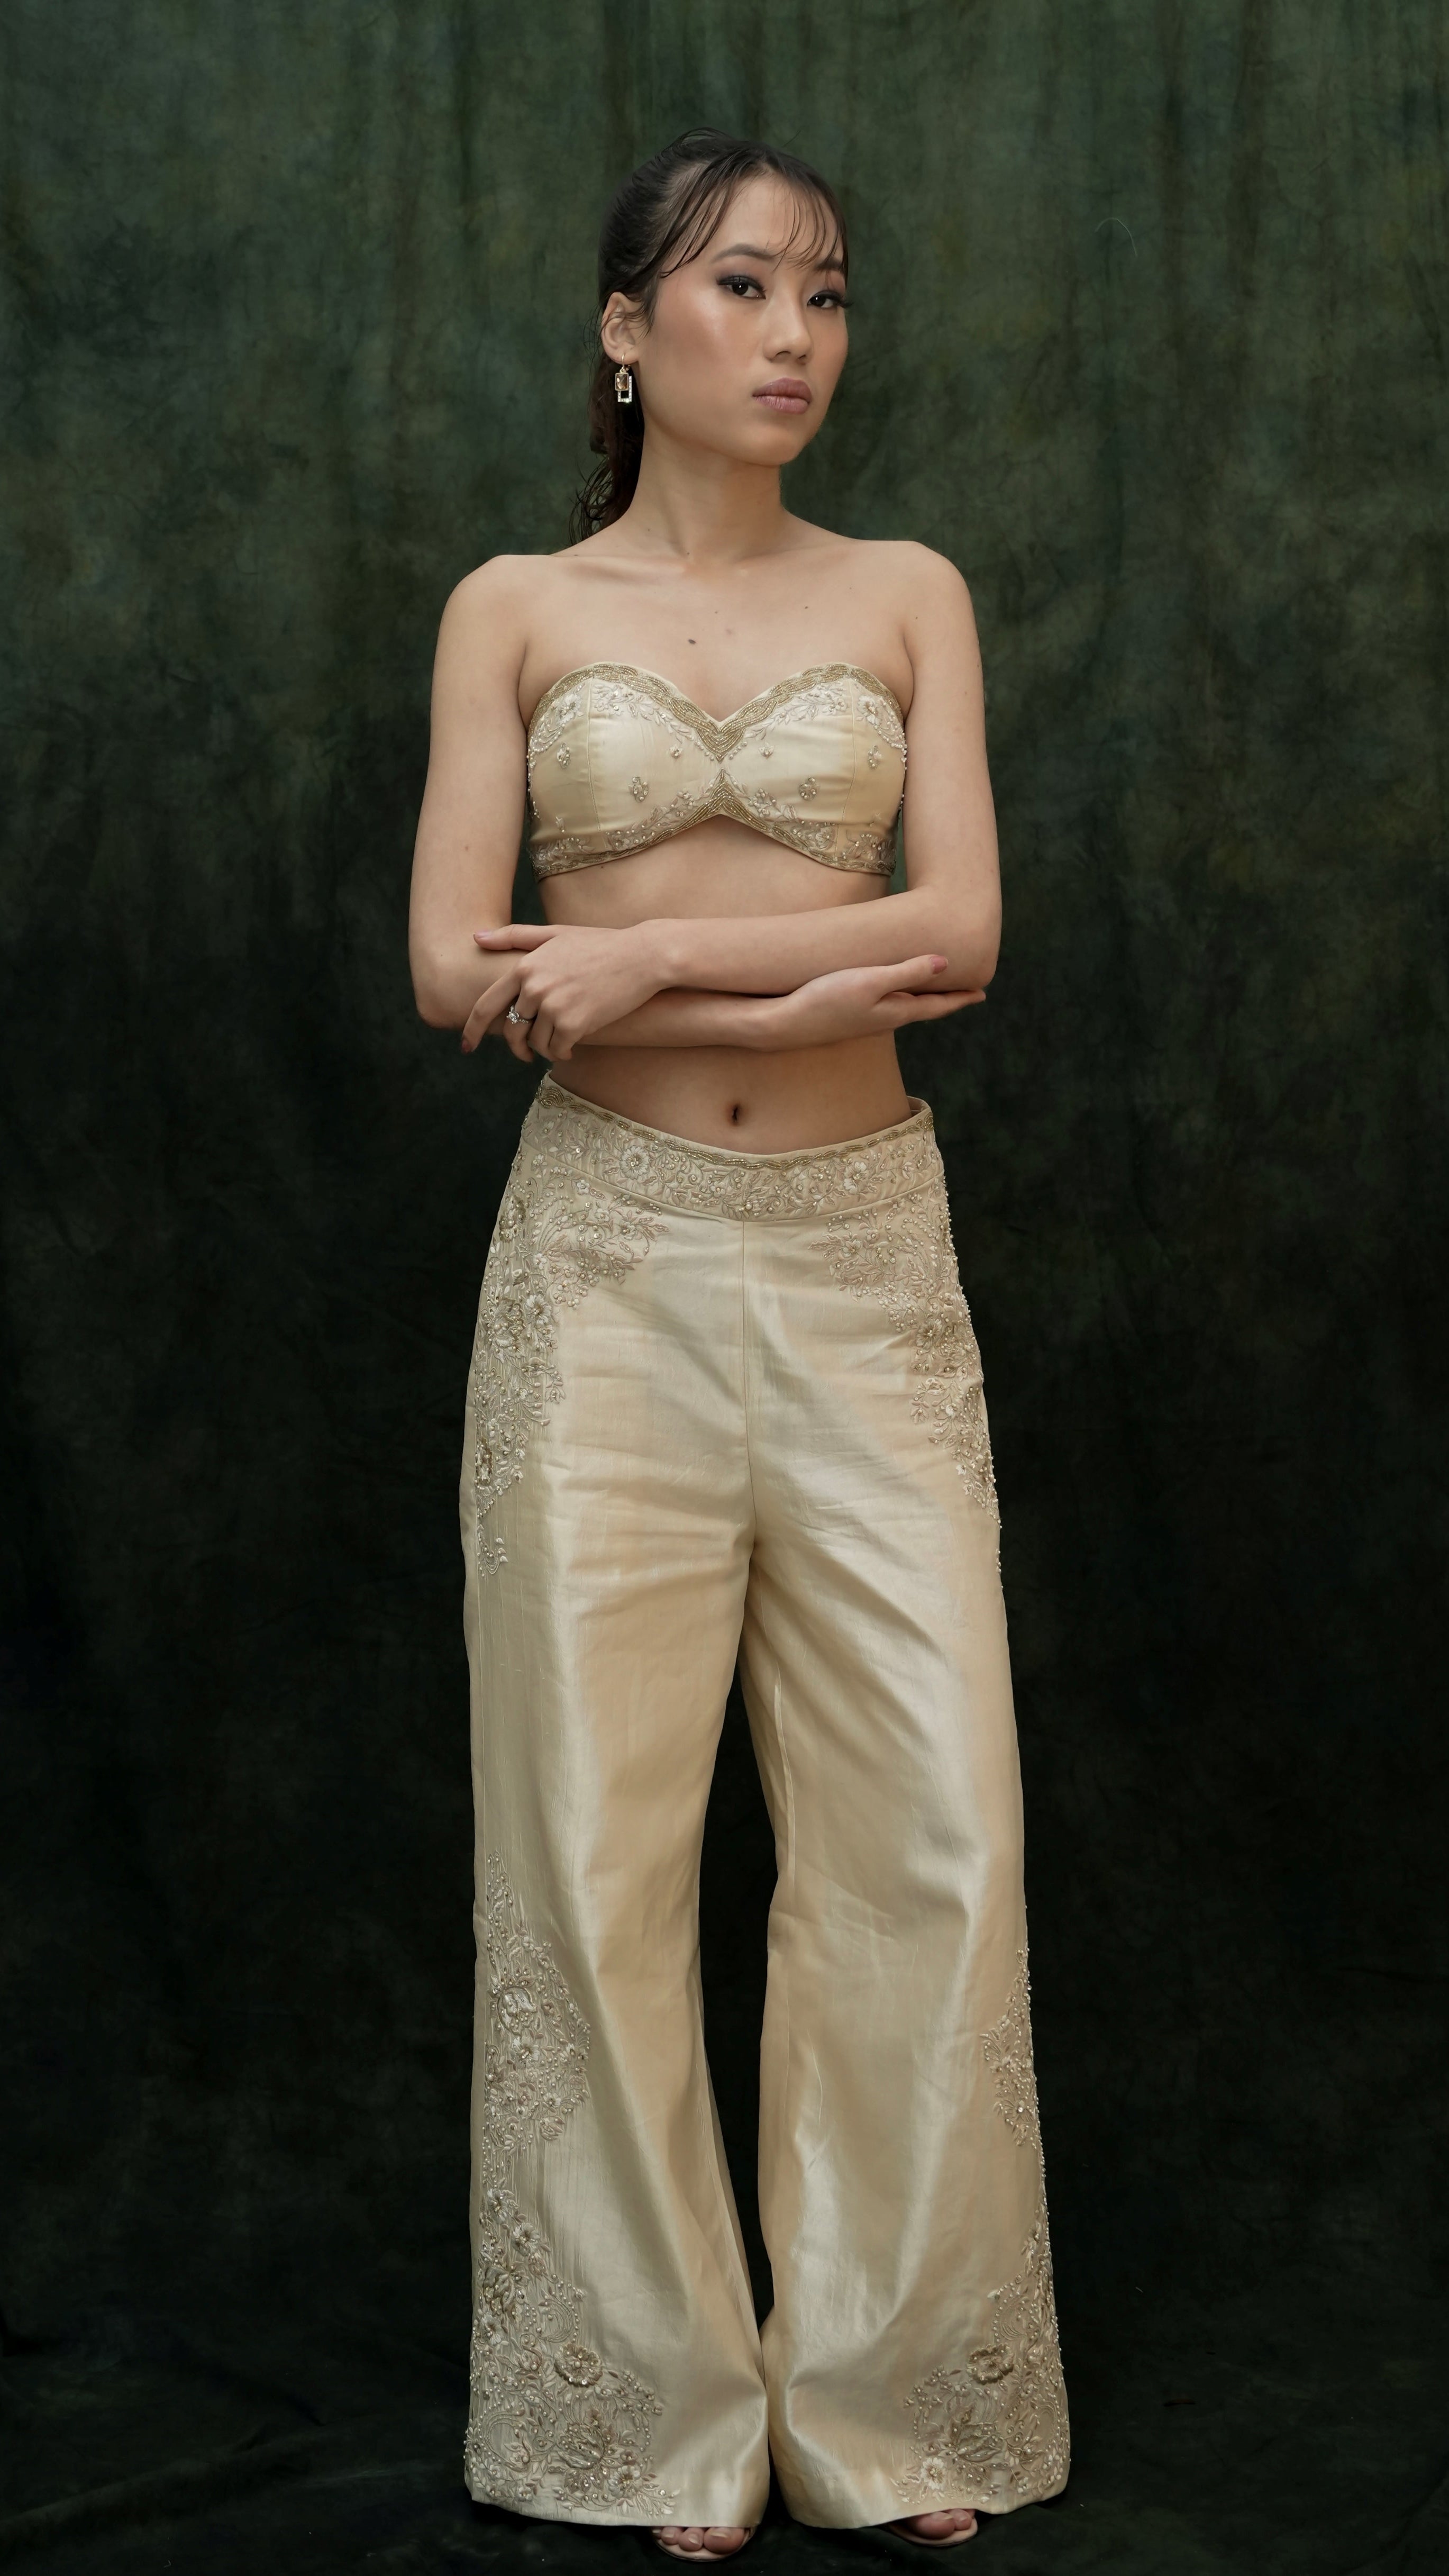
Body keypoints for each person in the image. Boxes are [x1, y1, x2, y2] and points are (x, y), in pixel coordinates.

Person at [408, 130, 1068, 2560]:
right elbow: (444, 960)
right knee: (592, 1845)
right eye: (736, 289)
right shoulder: (509, 605)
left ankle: (901, 2394)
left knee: (932, 1829)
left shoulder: (908, 592)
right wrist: (774, 952)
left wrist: (641, 960)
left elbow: (965, 932)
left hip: (867, 1253)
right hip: (603, 1269)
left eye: (825, 295)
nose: (790, 335)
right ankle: (655, 2410)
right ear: (625, 328)